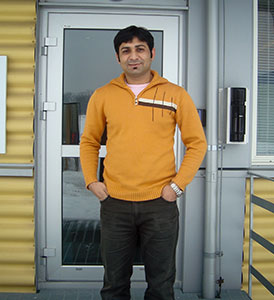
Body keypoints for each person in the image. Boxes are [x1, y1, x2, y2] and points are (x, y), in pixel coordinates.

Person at [80, 25, 207, 300]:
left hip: (160, 204)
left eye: (140, 49)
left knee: (161, 285)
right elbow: (89, 141)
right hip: (115, 203)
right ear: (118, 57)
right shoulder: (103, 95)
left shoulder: (176, 94)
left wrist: (177, 186)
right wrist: (92, 180)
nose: (133, 56)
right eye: (126, 50)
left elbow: (197, 143)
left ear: (152, 53)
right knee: (114, 284)